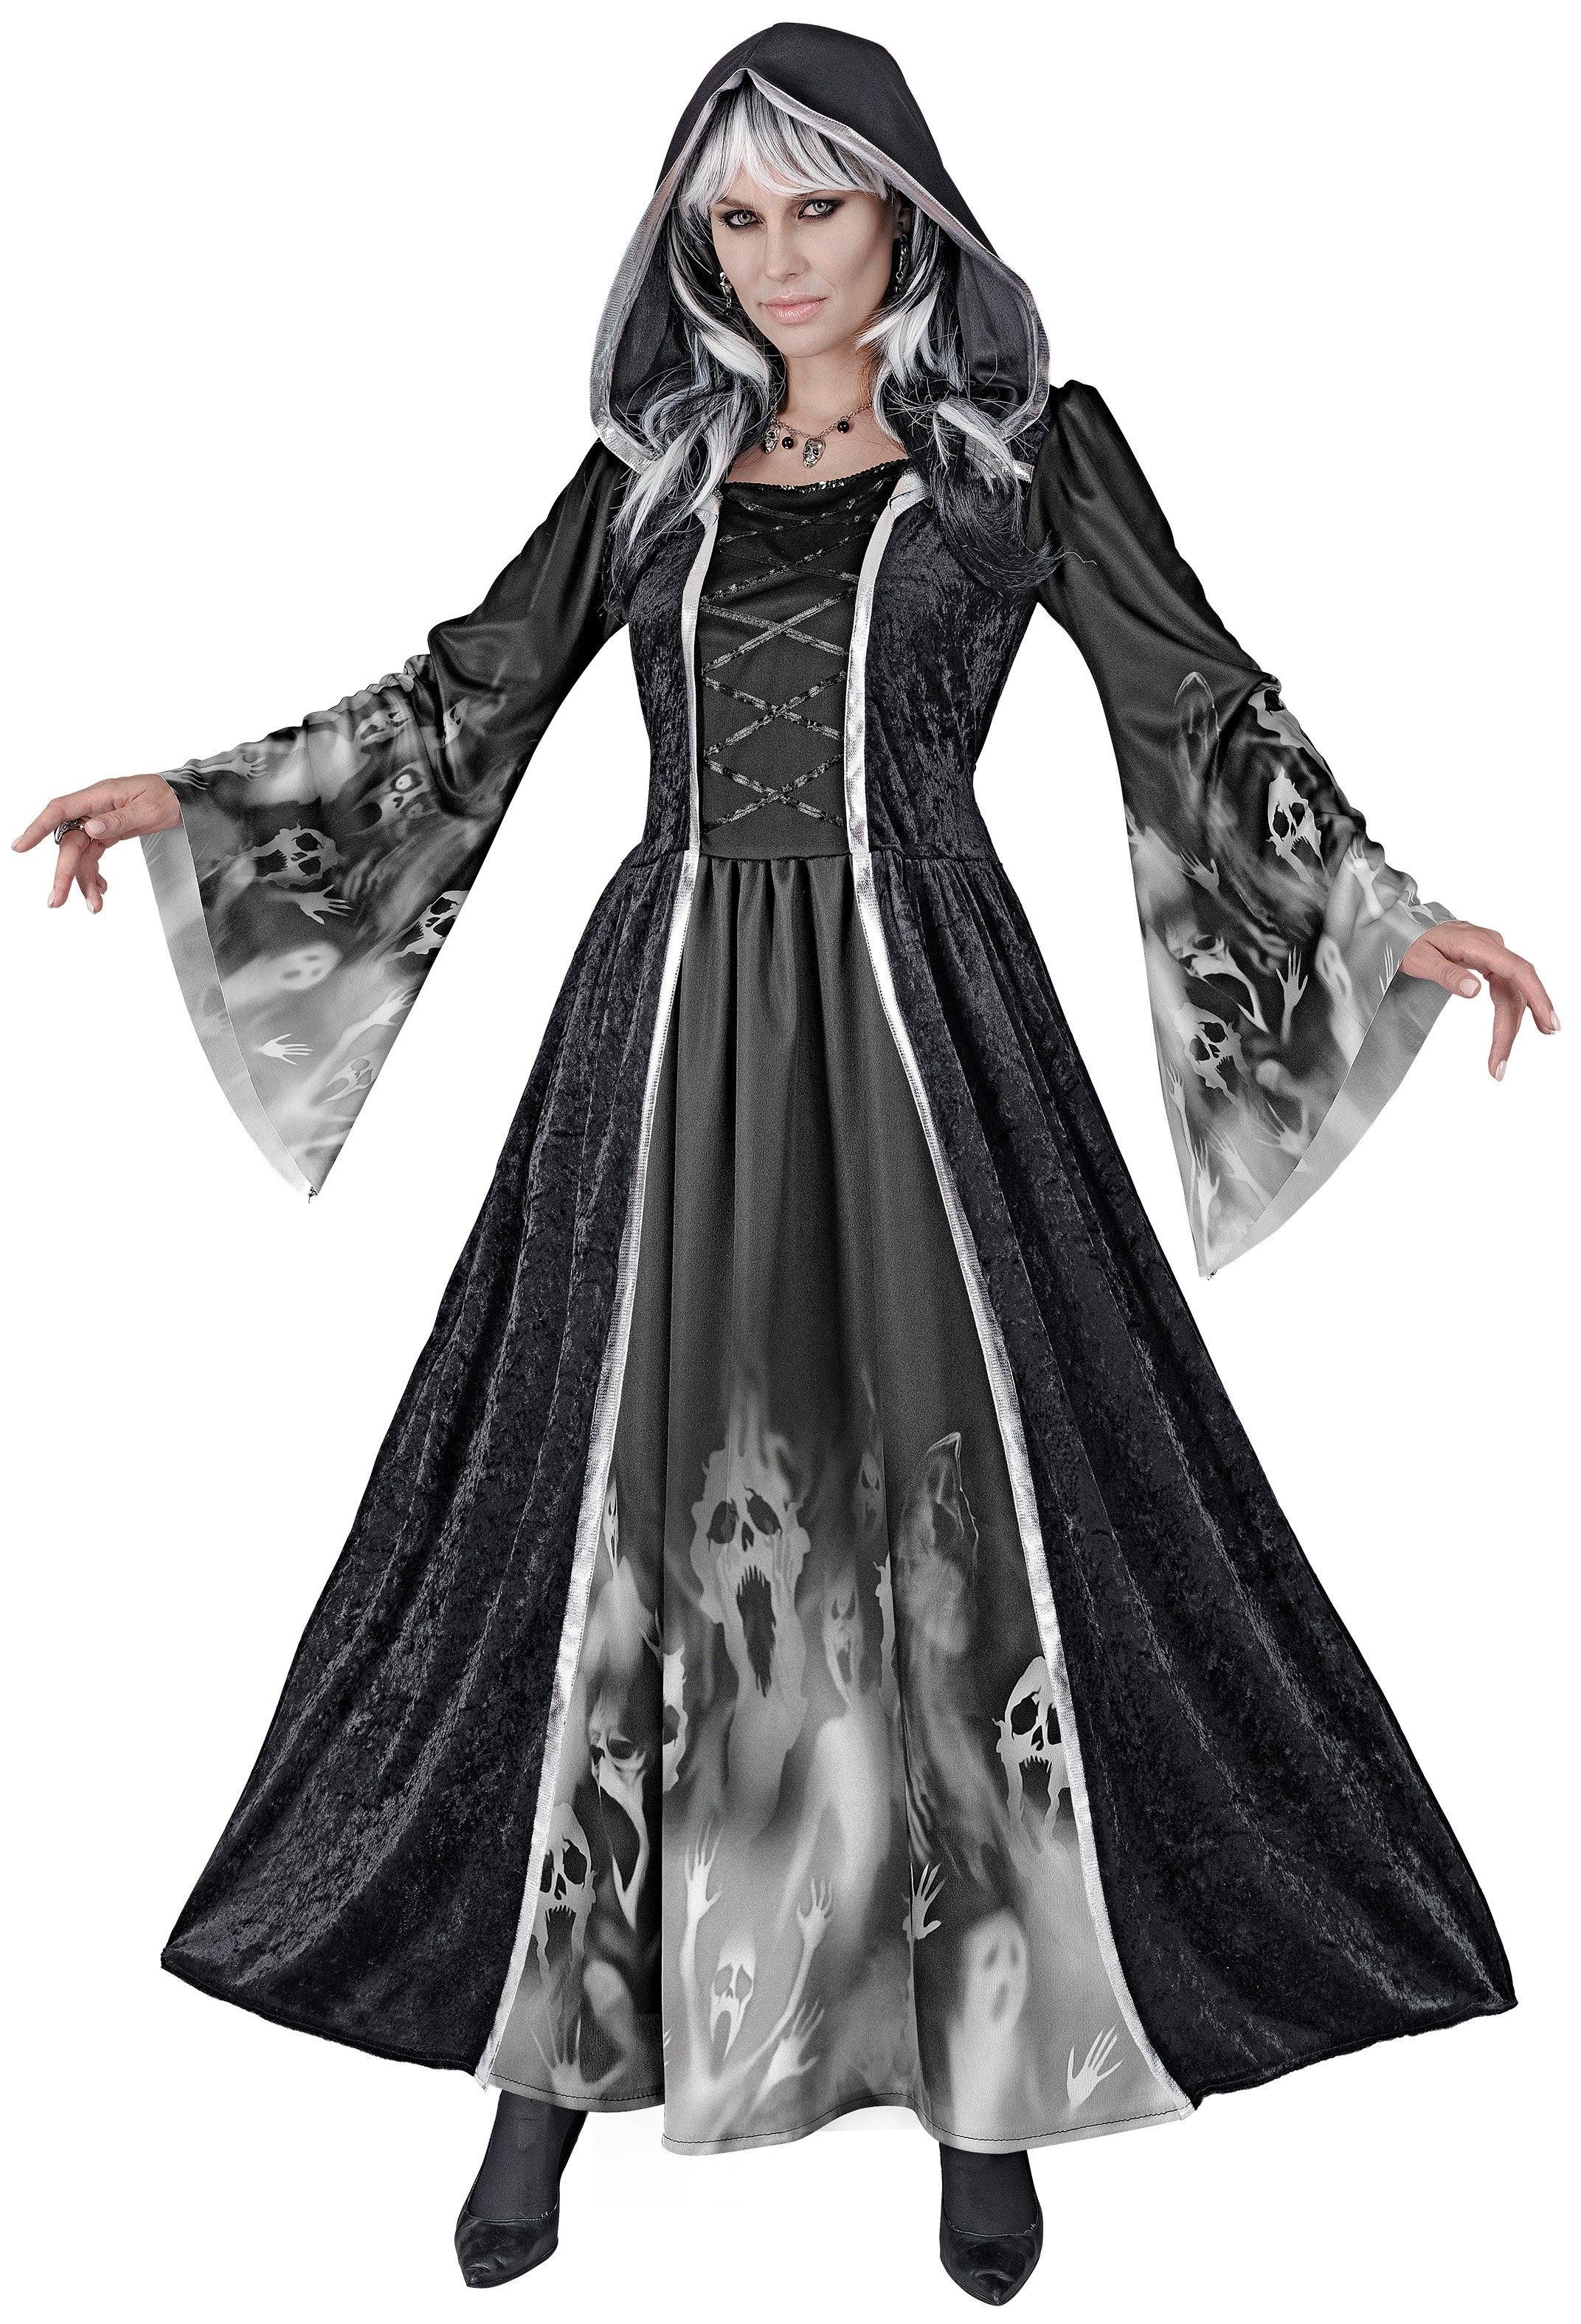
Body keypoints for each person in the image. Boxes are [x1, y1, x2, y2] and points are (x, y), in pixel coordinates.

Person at [14, 23, 1555, 2309]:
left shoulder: (1028, 460)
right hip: (665, 1040)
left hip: (932, 1030)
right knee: (622, 1515)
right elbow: (469, 693)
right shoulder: (651, 478)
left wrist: (1379, 911)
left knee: (959, 1514)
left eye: (816, 207)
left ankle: (993, 2087)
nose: (776, 258)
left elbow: (1191, 698)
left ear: (907, 214)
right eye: (732, 221)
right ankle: (543, 2078)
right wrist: (200, 796)